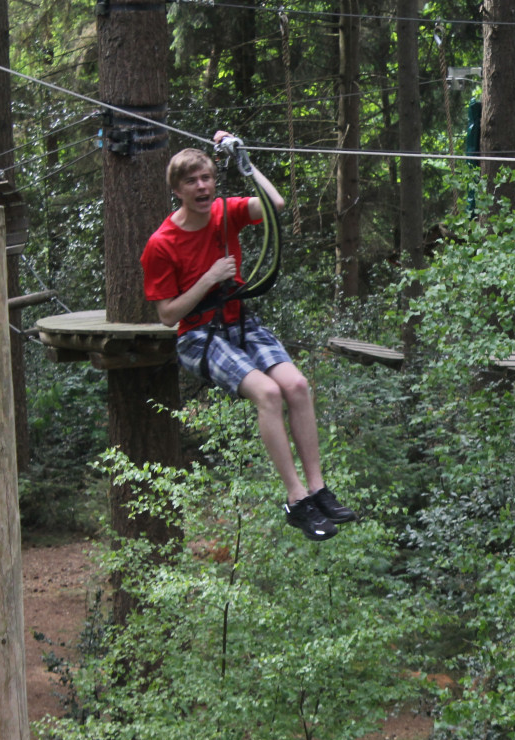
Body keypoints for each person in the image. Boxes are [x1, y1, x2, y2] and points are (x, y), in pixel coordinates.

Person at [141, 130, 355, 541]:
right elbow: (168, 315)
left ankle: (318, 489)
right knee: (269, 394)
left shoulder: (225, 212)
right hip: (198, 336)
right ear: (177, 190)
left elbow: (275, 206)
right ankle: (296, 500)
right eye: (192, 181)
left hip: (239, 322)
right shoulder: (162, 244)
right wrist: (207, 280)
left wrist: (244, 161)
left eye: (206, 178)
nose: (202, 186)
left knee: (296, 385)